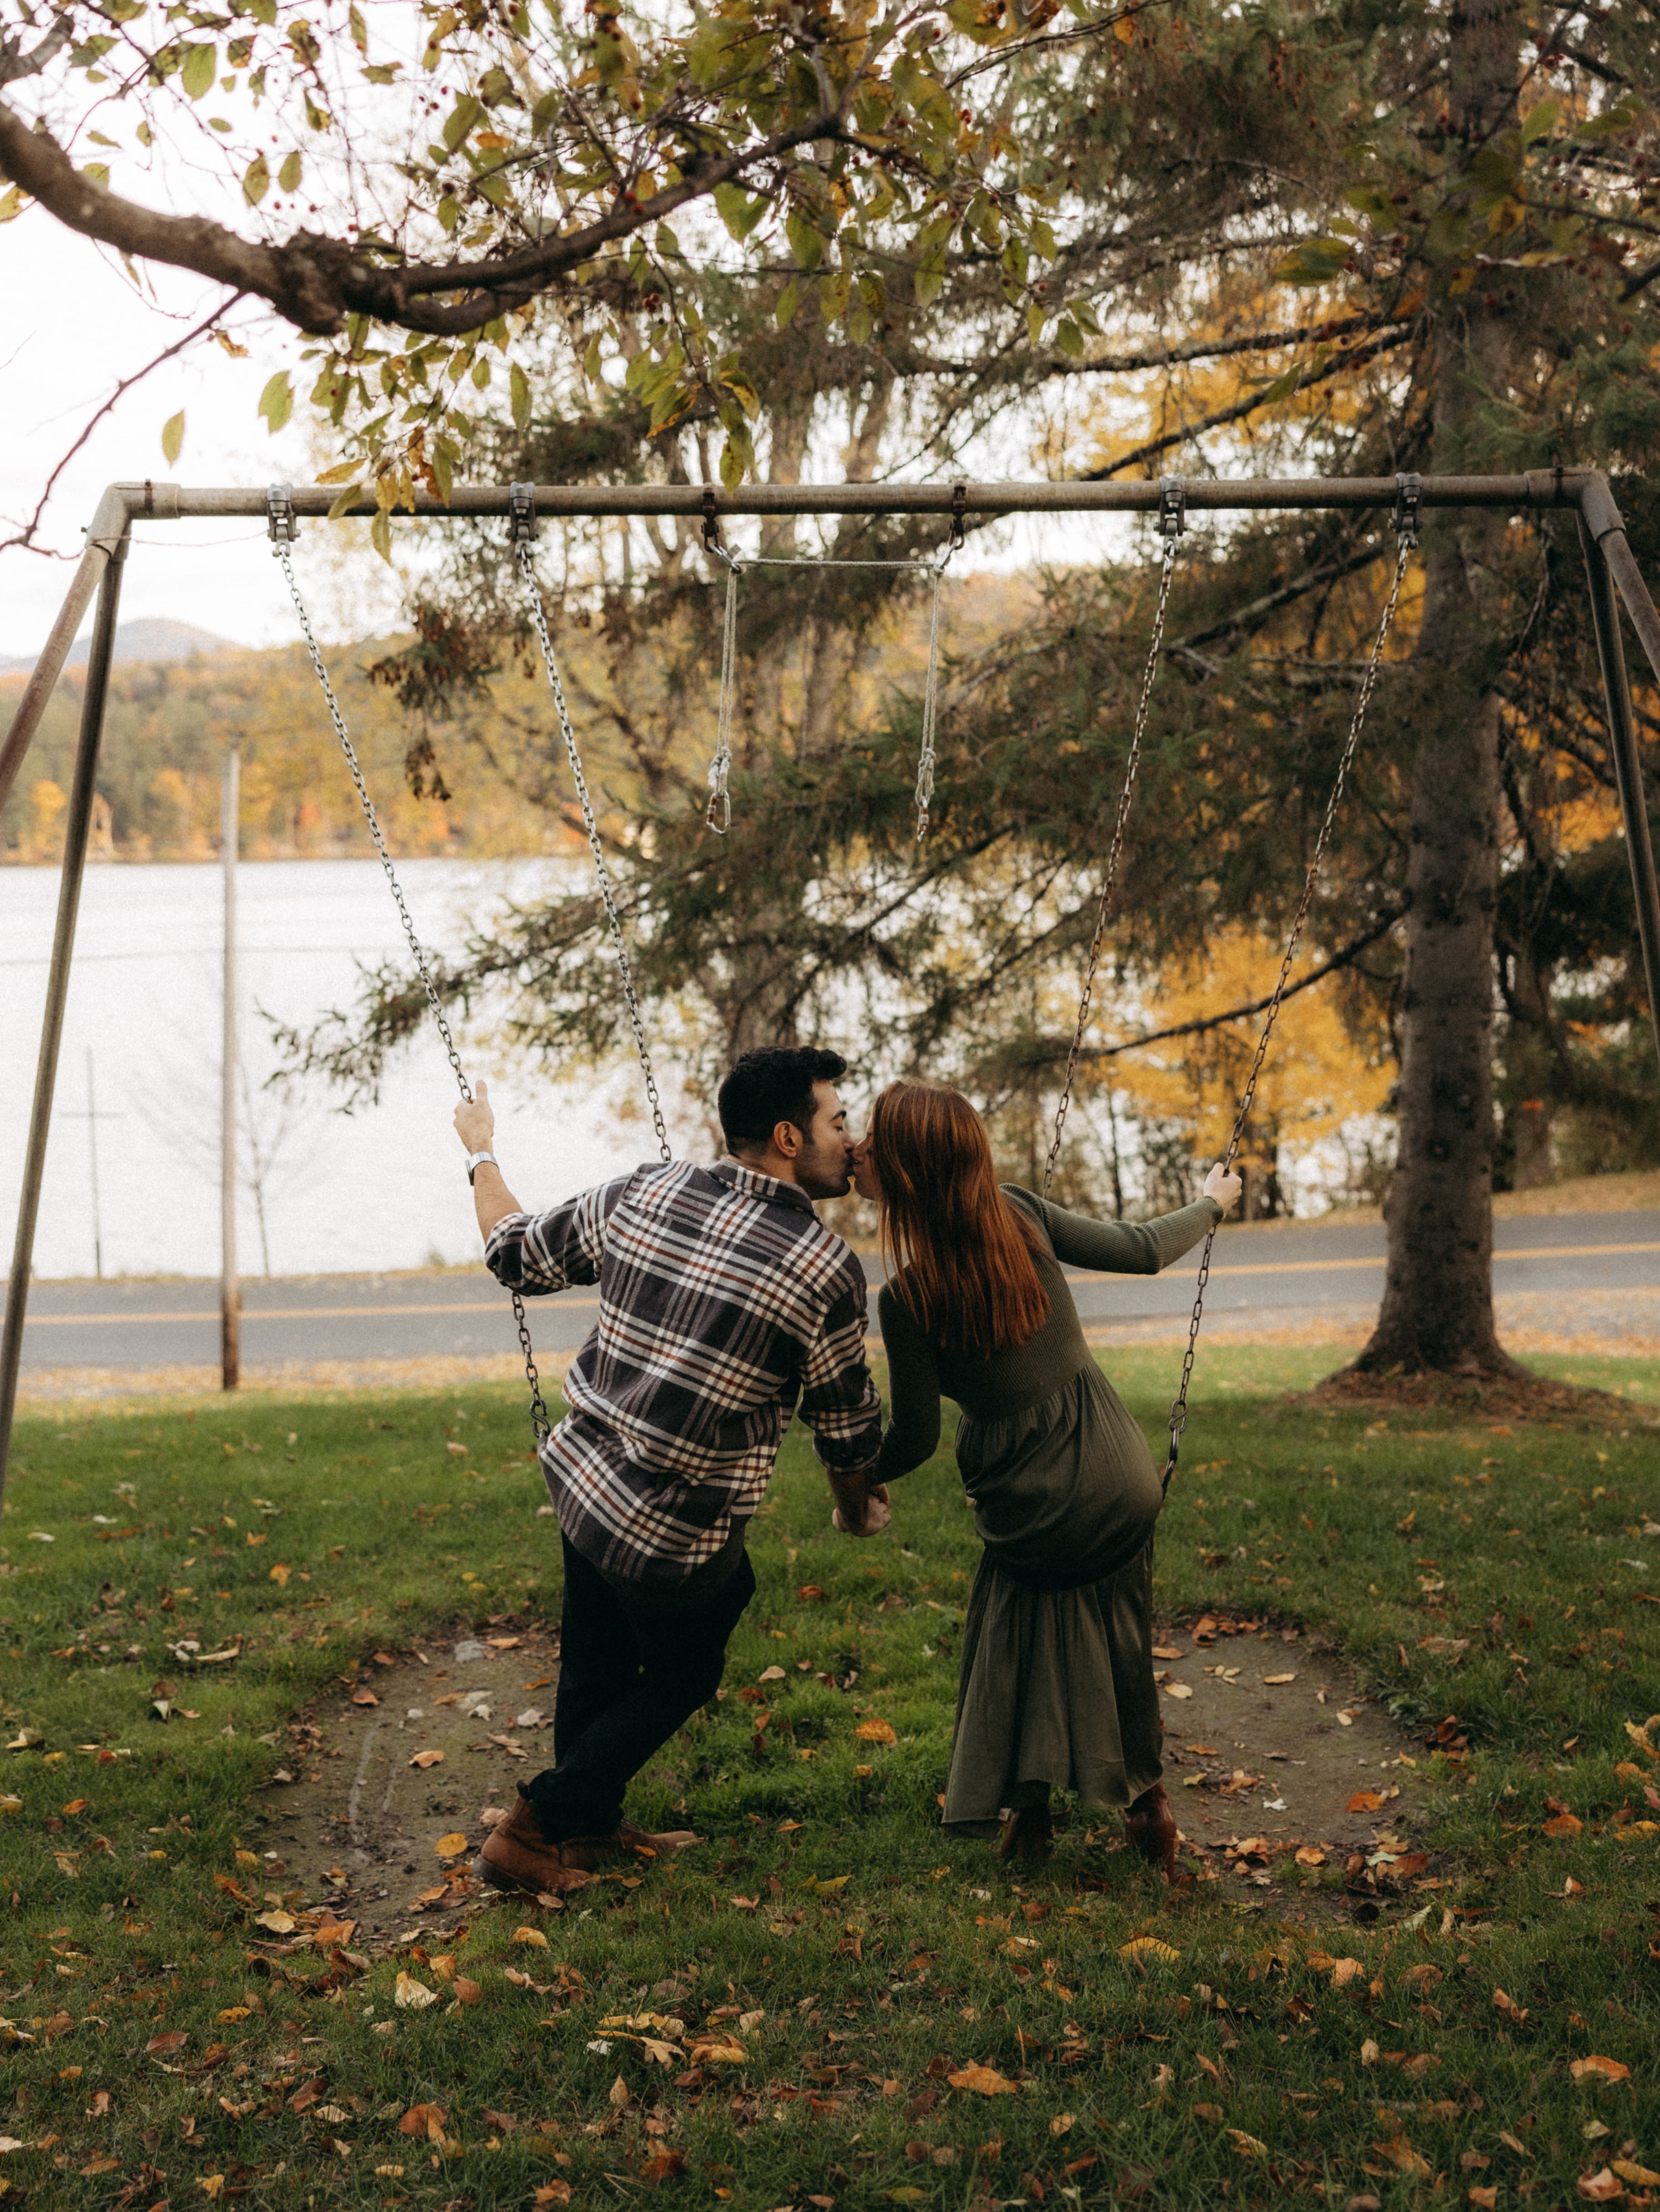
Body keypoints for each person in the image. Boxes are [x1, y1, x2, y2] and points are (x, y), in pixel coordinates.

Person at [454, 1046, 890, 1894]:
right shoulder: (823, 1266)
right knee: (688, 1666)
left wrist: (481, 1147)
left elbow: (514, 1252)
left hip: (583, 1482)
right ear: (787, 1137)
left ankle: (582, 1832)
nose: (852, 1137)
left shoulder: (645, 1189)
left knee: (596, 1658)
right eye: (839, 1121)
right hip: (671, 1530)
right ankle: (534, 1826)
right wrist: (852, 1511)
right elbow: (845, 1432)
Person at [853, 1081, 1240, 1873]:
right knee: (1121, 1634)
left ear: (903, 1170)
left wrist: (858, 1474)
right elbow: (1141, 1248)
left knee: (1014, 1628)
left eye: (871, 1141)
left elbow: (918, 1438)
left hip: (1031, 1498)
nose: (858, 1149)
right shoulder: (1020, 1214)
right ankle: (1149, 1808)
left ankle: (1028, 1816)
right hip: (1119, 1472)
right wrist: (1211, 1202)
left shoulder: (907, 1298)